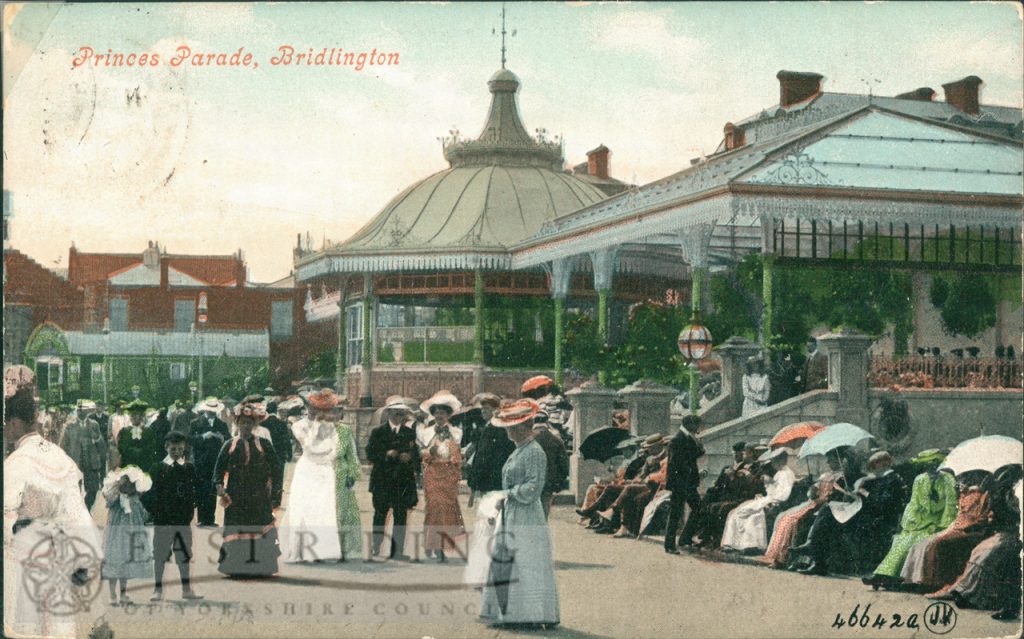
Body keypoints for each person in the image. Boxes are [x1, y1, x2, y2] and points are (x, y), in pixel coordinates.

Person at [4, 365, 103, 639]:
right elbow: (79, 517)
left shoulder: (16, 464)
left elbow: (7, 520)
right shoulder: (60, 457)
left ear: (13, 423)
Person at [480, 399, 559, 629]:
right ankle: (509, 613)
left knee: (525, 562)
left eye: (511, 427)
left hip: (526, 514)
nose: (508, 431)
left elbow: (534, 488)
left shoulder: (534, 452)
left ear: (523, 428)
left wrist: (509, 494)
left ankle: (528, 615)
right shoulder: (519, 451)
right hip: (513, 512)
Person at [929, 465, 1022, 620]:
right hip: (1002, 533)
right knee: (978, 551)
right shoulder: (1001, 495)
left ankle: (975, 596)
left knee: (989, 553)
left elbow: (1013, 519)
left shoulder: (1015, 496)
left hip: (1013, 535)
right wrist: (995, 516)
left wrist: (1000, 517)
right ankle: (966, 591)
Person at [213, 399, 283, 577]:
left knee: (259, 528)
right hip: (236, 497)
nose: (245, 426)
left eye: (249, 423)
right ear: (237, 423)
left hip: (259, 496)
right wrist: (220, 488)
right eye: (242, 423)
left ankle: (261, 567)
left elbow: (277, 470)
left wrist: (276, 494)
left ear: (254, 424)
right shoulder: (229, 445)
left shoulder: (264, 445)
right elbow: (218, 471)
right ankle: (236, 567)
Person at [863, 462, 958, 587]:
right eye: (928, 466)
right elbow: (914, 503)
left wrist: (941, 525)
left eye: (934, 465)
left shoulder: (948, 479)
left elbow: (950, 505)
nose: (931, 469)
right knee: (903, 539)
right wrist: (911, 522)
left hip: (938, 522)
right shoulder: (919, 479)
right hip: (921, 521)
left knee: (915, 539)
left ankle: (895, 576)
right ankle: (883, 574)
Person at [900, 470, 991, 592]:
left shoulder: (983, 496)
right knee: (921, 543)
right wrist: (963, 494)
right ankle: (913, 578)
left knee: (934, 544)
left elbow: (976, 515)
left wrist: (968, 495)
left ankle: (930, 581)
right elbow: (961, 510)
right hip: (956, 525)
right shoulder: (965, 494)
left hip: (968, 527)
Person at [281, 389, 343, 563]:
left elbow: (334, 449)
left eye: (319, 408)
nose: (315, 412)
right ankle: (301, 551)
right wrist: (316, 427)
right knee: (303, 508)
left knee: (323, 508)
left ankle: (320, 550)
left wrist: (325, 454)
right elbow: (308, 446)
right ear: (306, 407)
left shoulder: (330, 426)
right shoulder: (298, 425)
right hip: (307, 469)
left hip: (324, 470)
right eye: (312, 408)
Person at [762, 450, 847, 567]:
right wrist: (812, 489)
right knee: (782, 517)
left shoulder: (843, 477)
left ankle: (788, 559)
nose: (828, 462)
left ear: (839, 460)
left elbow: (842, 496)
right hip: (814, 502)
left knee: (791, 521)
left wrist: (838, 489)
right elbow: (812, 493)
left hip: (828, 506)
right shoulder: (827, 475)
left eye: (831, 460)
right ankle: (780, 558)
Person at [145, 431, 202, 602]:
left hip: (182, 520)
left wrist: (191, 509)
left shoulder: (189, 468)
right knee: (160, 555)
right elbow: (149, 494)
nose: (177, 452)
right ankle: (157, 589)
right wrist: (155, 512)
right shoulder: (157, 468)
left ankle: (186, 589)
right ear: (166, 447)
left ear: (184, 448)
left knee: (184, 554)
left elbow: (196, 491)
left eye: (180, 448)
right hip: (163, 520)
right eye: (173, 448)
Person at [366, 398, 420, 560]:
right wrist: (386, 454)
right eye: (396, 413)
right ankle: (376, 547)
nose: (399, 416)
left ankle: (397, 552)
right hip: (382, 479)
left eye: (402, 414)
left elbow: (416, 457)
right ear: (388, 413)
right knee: (380, 514)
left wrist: (409, 457)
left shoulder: (409, 432)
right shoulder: (378, 432)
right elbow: (370, 454)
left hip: (402, 481)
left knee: (401, 517)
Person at [682, 443, 765, 548]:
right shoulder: (730, 467)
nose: (741, 455)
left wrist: (732, 478)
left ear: (751, 454)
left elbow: (745, 488)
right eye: (738, 453)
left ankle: (710, 538)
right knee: (702, 503)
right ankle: (688, 537)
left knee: (716, 507)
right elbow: (719, 484)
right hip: (725, 495)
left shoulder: (755, 469)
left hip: (739, 498)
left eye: (743, 452)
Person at [419, 391, 467, 562]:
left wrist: (456, 466)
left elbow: (457, 455)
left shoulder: (456, 432)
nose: (439, 415)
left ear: (448, 414)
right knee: (433, 509)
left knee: (447, 510)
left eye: (443, 412)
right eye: (436, 412)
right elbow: (422, 455)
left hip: (448, 475)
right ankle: (432, 544)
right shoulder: (426, 432)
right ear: (433, 414)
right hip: (433, 474)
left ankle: (442, 545)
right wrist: (429, 453)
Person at [721, 448, 795, 553]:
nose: (772, 464)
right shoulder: (780, 472)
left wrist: (770, 495)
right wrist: (768, 484)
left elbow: (783, 495)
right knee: (737, 512)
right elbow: (773, 490)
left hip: (774, 501)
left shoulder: (786, 473)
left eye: (774, 461)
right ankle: (734, 543)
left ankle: (751, 545)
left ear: (780, 460)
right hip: (768, 499)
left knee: (752, 515)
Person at [100, 465, 153, 606]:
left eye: (131, 485)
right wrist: (115, 490)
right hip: (116, 536)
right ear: (119, 484)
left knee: (125, 567)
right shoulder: (115, 499)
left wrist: (148, 515)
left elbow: (143, 515)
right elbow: (107, 497)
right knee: (114, 565)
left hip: (129, 537)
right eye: (124, 484)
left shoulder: (135, 500)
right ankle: (112, 595)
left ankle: (123, 594)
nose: (127, 487)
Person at [664, 415, 706, 554]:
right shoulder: (678, 440)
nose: (698, 428)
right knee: (676, 513)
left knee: (698, 508)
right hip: (680, 483)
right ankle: (670, 545)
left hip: (688, 483)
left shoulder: (688, 437)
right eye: (697, 425)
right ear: (690, 425)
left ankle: (684, 538)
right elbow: (677, 463)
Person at [60, 399, 108, 510]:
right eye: (79, 409)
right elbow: (63, 446)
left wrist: (96, 440)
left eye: (83, 410)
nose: (81, 412)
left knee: (93, 489)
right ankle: (77, 513)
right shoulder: (69, 426)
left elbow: (101, 444)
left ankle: (87, 506)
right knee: (74, 491)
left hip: (91, 463)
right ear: (76, 411)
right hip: (75, 463)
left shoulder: (94, 425)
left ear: (88, 411)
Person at [190, 397, 231, 528]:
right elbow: (189, 439)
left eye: (213, 411)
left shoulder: (221, 424)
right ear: (205, 410)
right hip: (200, 462)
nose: (211, 413)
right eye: (209, 411)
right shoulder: (195, 423)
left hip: (215, 461)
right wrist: (203, 436)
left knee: (212, 490)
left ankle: (210, 519)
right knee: (201, 490)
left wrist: (222, 437)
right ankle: (202, 519)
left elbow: (229, 440)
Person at [468, 398, 516, 501]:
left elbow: (490, 455)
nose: (483, 411)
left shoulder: (498, 428)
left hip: (493, 479)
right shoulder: (487, 427)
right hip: (485, 479)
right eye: (482, 409)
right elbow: (480, 455)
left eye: (487, 408)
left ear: (495, 410)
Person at [334, 407, 363, 561]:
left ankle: (342, 549)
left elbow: (351, 454)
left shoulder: (345, 431)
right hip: (323, 476)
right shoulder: (317, 431)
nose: (334, 415)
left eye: (337, 412)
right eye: (330, 411)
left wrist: (352, 474)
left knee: (343, 513)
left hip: (341, 475)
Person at [531, 413, 570, 519]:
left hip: (531, 480)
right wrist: (560, 479)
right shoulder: (555, 439)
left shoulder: (528, 440)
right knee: (545, 506)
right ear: (546, 423)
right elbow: (564, 463)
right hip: (550, 480)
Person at [521, 375, 573, 448]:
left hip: (546, 423)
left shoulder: (540, 401)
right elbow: (566, 411)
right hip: (556, 424)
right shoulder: (559, 399)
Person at [117, 399, 162, 472]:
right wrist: (132, 451)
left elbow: (152, 447)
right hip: (128, 465)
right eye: (131, 415)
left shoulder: (148, 431)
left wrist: (141, 452)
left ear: (141, 416)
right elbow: (121, 447)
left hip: (144, 465)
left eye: (135, 414)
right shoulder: (124, 431)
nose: (133, 417)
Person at [262, 400, 295, 493]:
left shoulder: (263, 424)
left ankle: (266, 495)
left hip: (266, 455)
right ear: (276, 411)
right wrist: (289, 453)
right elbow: (287, 440)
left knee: (267, 475)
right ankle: (276, 498)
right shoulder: (282, 424)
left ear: (267, 411)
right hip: (279, 454)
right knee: (278, 477)